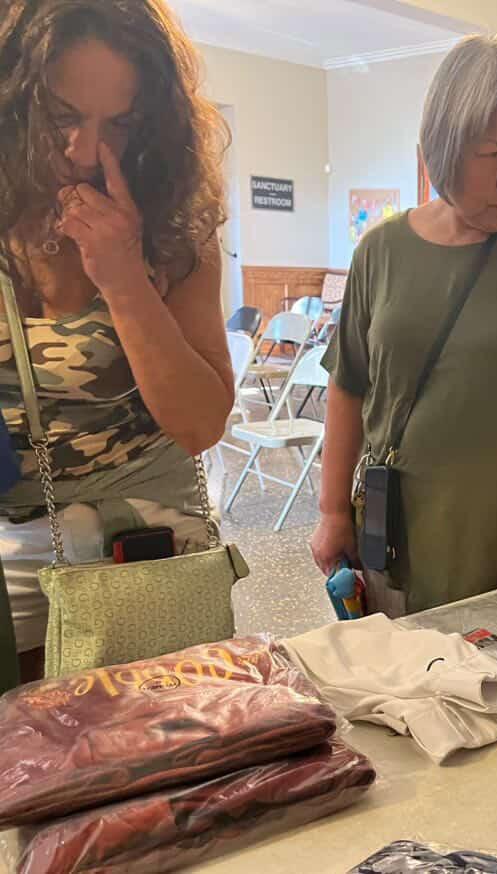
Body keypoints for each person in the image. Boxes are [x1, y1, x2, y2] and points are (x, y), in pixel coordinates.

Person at [310, 35, 497, 616]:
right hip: (399, 537)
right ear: (443, 147)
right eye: (493, 154)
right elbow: (348, 386)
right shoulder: (381, 250)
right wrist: (331, 511)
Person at [0, 0, 233, 683]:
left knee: (167, 738)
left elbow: (201, 425)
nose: (83, 152)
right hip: (13, 545)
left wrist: (124, 277)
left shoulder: (176, 227)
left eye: (120, 125)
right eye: (60, 118)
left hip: (146, 540)